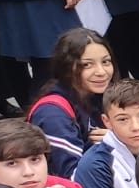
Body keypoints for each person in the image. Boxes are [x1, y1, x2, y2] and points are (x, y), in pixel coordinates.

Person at [28, 28, 114, 177]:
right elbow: (73, 176)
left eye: (106, 62)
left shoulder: (98, 96)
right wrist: (116, 145)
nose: (101, 71)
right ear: (66, 67)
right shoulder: (53, 114)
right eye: (87, 65)